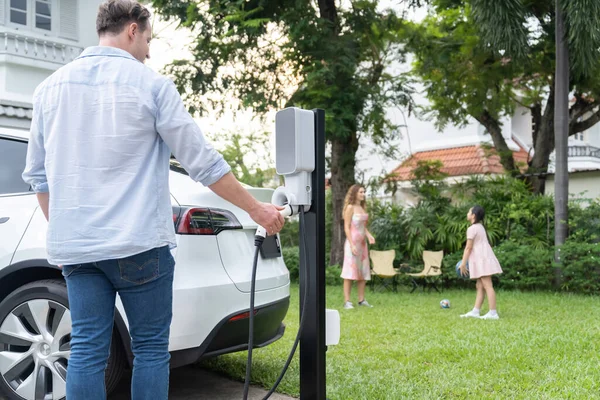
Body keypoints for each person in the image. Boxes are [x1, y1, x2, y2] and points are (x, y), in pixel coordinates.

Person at [21, 1, 285, 398]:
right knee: (149, 349)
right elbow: (203, 162)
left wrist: (63, 232)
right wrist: (258, 210)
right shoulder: (151, 85)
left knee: (88, 350)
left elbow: (38, 178)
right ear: (132, 29)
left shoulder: (48, 89)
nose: (148, 49)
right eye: (148, 39)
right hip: (139, 244)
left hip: (78, 248)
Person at [458, 205, 502, 320]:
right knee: (480, 285)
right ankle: (475, 311)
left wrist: (463, 263)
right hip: (482, 258)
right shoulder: (480, 227)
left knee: (488, 285)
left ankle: (493, 313)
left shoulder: (472, 229)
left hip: (481, 259)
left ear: (473, 216)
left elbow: (468, 248)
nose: (467, 213)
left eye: (469, 211)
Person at [340, 184, 375, 309]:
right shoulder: (350, 208)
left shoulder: (361, 207)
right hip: (352, 243)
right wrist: (351, 244)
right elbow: (347, 227)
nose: (363, 194)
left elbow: (363, 227)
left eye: (364, 192)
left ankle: (361, 300)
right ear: (354, 193)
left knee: (363, 272)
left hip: (362, 245)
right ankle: (347, 302)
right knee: (350, 272)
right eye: (361, 192)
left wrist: (369, 236)